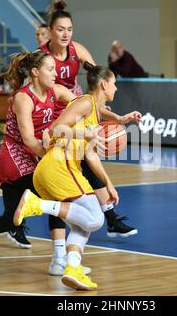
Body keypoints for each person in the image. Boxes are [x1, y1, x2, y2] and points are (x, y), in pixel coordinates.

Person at [0, 51, 92, 262]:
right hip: (14, 157)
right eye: (50, 69)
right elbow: (29, 140)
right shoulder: (23, 98)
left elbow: (83, 104)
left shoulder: (55, 91)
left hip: (32, 156)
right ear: (36, 72)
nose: (55, 73)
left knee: (11, 220)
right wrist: (49, 157)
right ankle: (59, 259)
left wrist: (107, 118)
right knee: (55, 194)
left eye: (55, 69)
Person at [40, 0, 141, 277]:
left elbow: (100, 80)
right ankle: (61, 252)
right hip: (56, 124)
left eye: (69, 29)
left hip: (76, 119)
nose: (65, 34)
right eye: (60, 29)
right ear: (49, 31)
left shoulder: (78, 51)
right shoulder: (43, 58)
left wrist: (116, 117)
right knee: (63, 190)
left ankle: (70, 254)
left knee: (85, 174)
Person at [13, 63, 119, 291]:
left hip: (54, 170)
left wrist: (109, 184)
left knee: (83, 225)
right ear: (104, 85)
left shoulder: (93, 114)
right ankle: (36, 204)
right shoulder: (85, 102)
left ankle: (72, 268)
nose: (116, 89)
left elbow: (90, 155)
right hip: (59, 166)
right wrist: (85, 133)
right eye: (114, 84)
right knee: (96, 219)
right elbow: (56, 128)